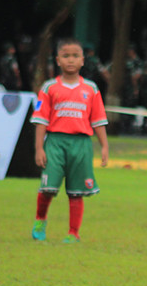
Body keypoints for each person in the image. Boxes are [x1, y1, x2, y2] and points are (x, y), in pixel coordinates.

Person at [30, 38, 109, 243]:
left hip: (81, 144)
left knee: (76, 192)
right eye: (66, 56)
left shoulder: (91, 89)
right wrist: (39, 148)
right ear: (58, 60)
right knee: (48, 189)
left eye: (75, 56)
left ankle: (73, 233)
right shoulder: (48, 88)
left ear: (82, 60)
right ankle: (40, 220)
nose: (70, 60)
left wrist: (104, 146)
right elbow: (40, 121)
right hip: (55, 142)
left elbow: (98, 121)